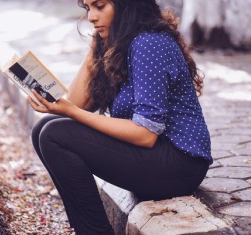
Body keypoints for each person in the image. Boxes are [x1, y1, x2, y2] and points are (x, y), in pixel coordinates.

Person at [28, 0, 213, 234]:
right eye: (88, 9)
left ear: (128, 5)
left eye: (100, 6)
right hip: (154, 155)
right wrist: (95, 49)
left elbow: (145, 134)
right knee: (44, 127)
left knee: (54, 135)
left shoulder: (150, 44)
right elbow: (76, 104)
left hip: (179, 163)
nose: (91, 17)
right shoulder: (120, 44)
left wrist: (71, 111)